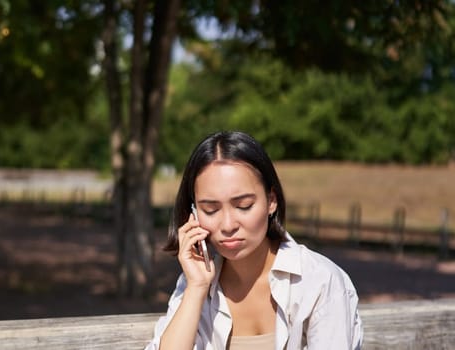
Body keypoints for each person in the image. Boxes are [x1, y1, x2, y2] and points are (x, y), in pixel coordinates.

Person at [146, 131, 363, 350]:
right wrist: (196, 288)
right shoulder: (196, 282)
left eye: (244, 206)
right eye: (210, 210)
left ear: (271, 201)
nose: (228, 225)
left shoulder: (319, 281)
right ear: (193, 213)